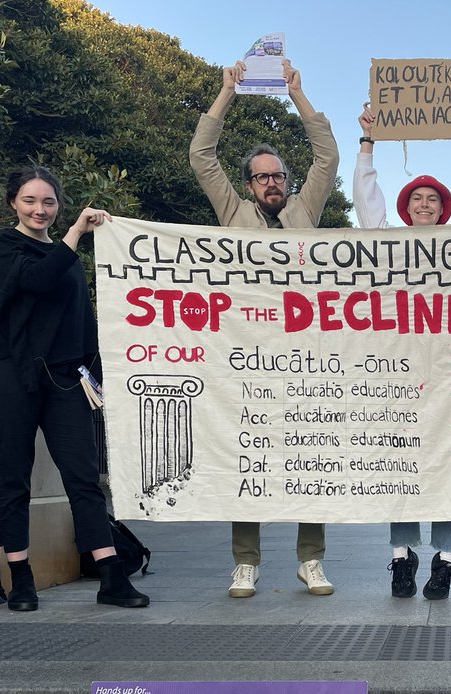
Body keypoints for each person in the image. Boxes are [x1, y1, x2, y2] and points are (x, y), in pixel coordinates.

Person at [190, 57, 339, 599]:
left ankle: (311, 559)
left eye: (278, 175)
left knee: (309, 456)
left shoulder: (306, 214)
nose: (272, 182)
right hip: (248, 356)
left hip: (303, 355)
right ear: (249, 185)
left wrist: (298, 95)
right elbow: (201, 156)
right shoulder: (232, 215)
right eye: (263, 176)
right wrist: (227, 93)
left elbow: (328, 154)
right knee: (247, 455)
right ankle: (246, 562)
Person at [0, 166, 149, 612]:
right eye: (30, 200)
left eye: (48, 202)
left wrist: (97, 374)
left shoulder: (66, 256)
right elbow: (36, 279)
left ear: (58, 204)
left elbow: (81, 320)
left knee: (84, 477)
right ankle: (22, 578)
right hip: (10, 376)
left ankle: (110, 574)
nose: (39, 209)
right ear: (13, 201)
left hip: (65, 378)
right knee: (13, 478)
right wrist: (75, 232)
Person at [353, 106, 451, 600]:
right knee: (400, 470)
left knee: (450, 471)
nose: (426, 205)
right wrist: (368, 144)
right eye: (418, 198)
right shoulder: (387, 245)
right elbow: (367, 204)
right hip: (401, 377)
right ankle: (401, 559)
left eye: (434, 199)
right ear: (406, 207)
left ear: (443, 209)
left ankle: (444, 562)